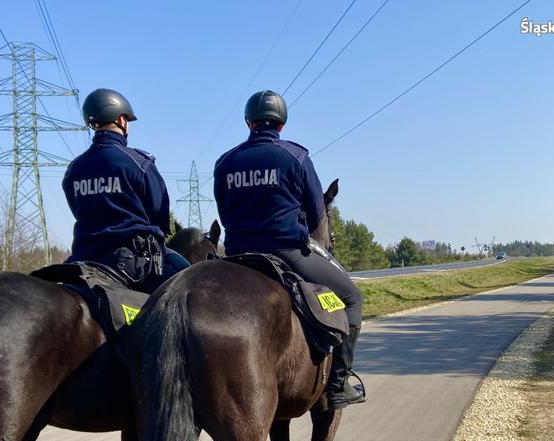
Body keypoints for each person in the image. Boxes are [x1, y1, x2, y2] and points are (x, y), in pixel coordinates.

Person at [213, 90, 365, 410]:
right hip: (287, 253)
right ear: (281, 124)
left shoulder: (225, 162)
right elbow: (315, 213)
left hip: (237, 257)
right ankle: (337, 385)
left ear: (247, 122)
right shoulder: (295, 157)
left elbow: (224, 212)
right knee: (352, 298)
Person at [62, 88, 189, 293]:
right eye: (127, 120)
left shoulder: (74, 168)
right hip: (132, 264)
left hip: (83, 257)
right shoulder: (139, 163)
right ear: (121, 119)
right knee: (191, 286)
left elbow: (76, 209)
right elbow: (160, 215)